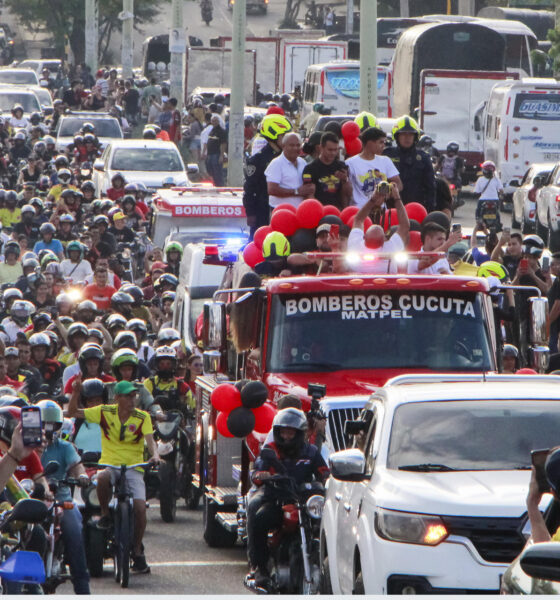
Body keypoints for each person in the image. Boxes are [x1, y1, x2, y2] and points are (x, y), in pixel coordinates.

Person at [67, 377, 160, 574]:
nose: (132, 399)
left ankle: (136, 550)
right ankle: (106, 515)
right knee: (101, 479)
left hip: (135, 467)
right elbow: (73, 412)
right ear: (117, 398)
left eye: (134, 396)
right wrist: (76, 393)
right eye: (128, 396)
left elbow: (150, 441)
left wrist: (155, 456)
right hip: (110, 464)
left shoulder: (142, 417)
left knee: (141, 509)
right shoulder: (104, 412)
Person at [246, 408, 329, 587]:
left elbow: (324, 472)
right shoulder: (271, 450)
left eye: (290, 432)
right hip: (276, 497)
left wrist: (329, 479)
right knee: (257, 514)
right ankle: (259, 567)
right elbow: (258, 470)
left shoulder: (311, 452)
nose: (286, 436)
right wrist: (262, 475)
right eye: (283, 431)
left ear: (299, 433)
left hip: (303, 501)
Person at [37, 399, 90, 594]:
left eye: (54, 425)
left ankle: (82, 587)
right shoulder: (30, 447)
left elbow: (76, 466)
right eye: (44, 424)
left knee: (74, 529)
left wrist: (82, 476)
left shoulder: (66, 447)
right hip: (35, 500)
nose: (49, 429)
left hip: (62, 500)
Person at [243, 114, 292, 236]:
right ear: (273, 135)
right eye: (284, 136)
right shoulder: (257, 160)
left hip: (285, 210)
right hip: (263, 210)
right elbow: (249, 189)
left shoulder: (291, 157)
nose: (288, 140)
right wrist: (251, 214)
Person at [345, 183, 410, 274]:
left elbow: (358, 220)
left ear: (364, 238)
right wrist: (397, 198)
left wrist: (373, 199)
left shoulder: (355, 246)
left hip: (359, 285)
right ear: (384, 241)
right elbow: (405, 226)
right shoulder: (391, 248)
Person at [384, 116, 436, 212]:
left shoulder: (423, 158)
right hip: (391, 210)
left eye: (410, 134)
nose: (407, 137)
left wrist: (429, 211)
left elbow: (430, 188)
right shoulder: (387, 155)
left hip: (416, 209)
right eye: (403, 134)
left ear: (415, 137)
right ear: (397, 136)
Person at [346, 127, 402, 208]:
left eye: (384, 142)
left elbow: (398, 183)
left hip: (380, 212)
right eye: (381, 142)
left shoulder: (385, 160)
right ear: (369, 143)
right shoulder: (350, 163)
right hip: (359, 211)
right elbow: (347, 191)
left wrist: (387, 194)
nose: (383, 146)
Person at [302, 132, 352, 209]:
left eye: (335, 150)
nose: (333, 153)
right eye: (330, 150)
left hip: (338, 211)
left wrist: (345, 180)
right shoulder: (309, 169)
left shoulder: (342, 166)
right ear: (321, 147)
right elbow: (308, 195)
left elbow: (349, 194)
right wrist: (323, 211)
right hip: (319, 211)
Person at [265, 133, 313, 209]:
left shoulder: (303, 163)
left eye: (298, 145)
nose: (295, 148)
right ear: (283, 146)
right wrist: (296, 191)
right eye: (292, 145)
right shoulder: (276, 163)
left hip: (300, 211)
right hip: (281, 212)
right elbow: (272, 190)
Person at [205, 114, 227, 186]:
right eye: (212, 121)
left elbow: (223, 144)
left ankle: (220, 186)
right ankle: (215, 185)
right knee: (211, 172)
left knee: (218, 172)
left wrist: (221, 155)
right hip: (210, 155)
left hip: (216, 155)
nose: (214, 122)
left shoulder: (221, 131)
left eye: (215, 121)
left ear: (218, 121)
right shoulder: (212, 131)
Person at [548, 253, 560, 352]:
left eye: (554, 264)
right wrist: (547, 277)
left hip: (555, 324)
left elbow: (557, 306)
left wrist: (547, 322)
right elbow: (549, 292)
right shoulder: (556, 280)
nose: (551, 266)